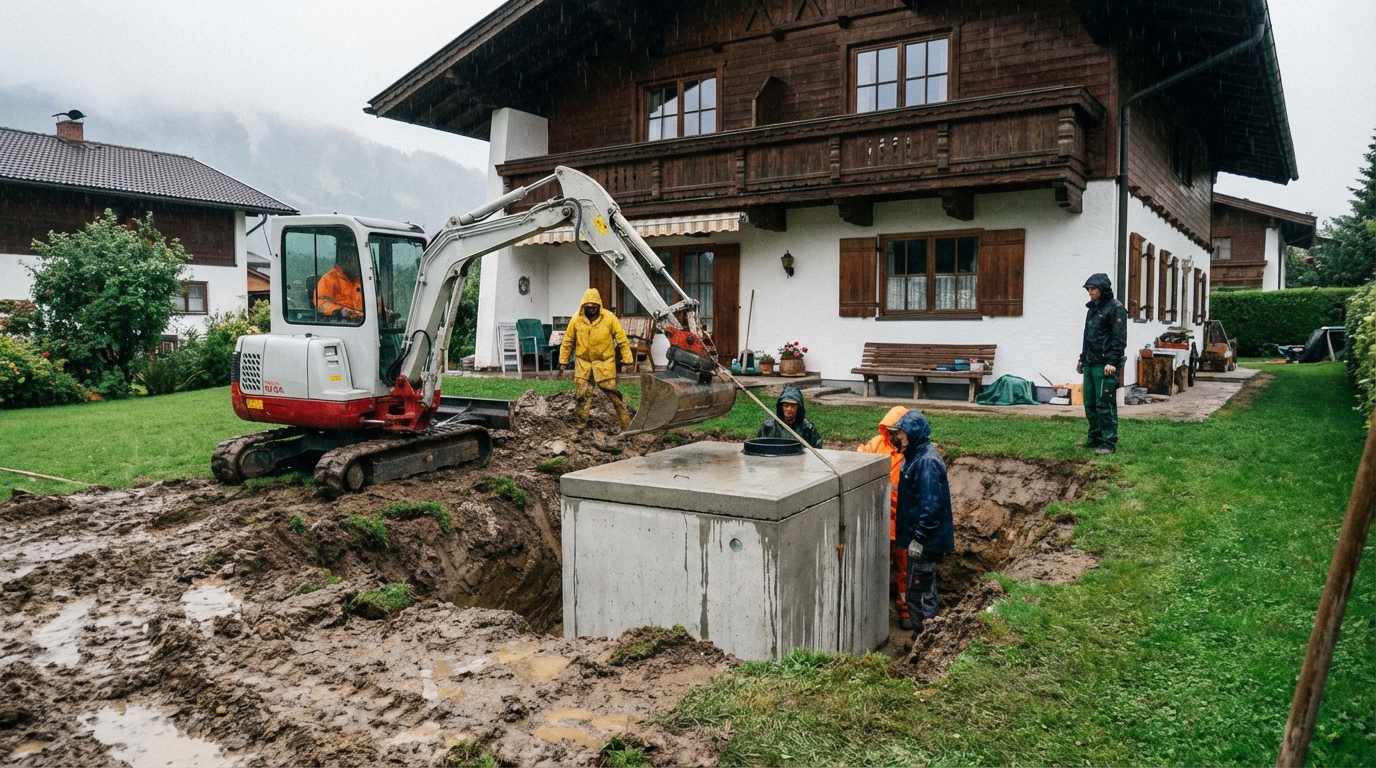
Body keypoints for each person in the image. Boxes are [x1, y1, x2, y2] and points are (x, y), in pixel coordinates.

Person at [890, 410, 954, 652]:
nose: (896, 437)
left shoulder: (926, 462)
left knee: (922, 592)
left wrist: (919, 539)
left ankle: (927, 641)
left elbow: (931, 506)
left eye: (900, 433)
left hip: (925, 541)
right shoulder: (914, 456)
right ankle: (922, 635)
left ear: (914, 433)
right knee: (918, 590)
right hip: (918, 539)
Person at [857, 406, 912, 629]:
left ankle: (906, 609)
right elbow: (859, 457)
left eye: (895, 431)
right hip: (879, 518)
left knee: (906, 567)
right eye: (889, 431)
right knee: (875, 564)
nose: (892, 435)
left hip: (903, 521)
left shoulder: (912, 450)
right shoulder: (877, 444)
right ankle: (872, 608)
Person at [559, 289, 633, 433]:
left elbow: (622, 339)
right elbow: (568, 341)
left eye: (594, 306)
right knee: (581, 396)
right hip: (583, 364)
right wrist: (563, 361)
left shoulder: (609, 318)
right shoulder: (576, 319)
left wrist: (627, 360)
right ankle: (580, 427)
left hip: (604, 364)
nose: (591, 308)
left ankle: (626, 427)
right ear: (584, 306)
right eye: (588, 306)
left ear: (599, 305)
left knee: (615, 397)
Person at [1077, 273, 1127, 455]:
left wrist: (1112, 361)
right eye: (1088, 289)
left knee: (1104, 403)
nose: (1090, 292)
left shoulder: (1116, 308)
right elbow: (1087, 336)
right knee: (1090, 403)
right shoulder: (1092, 308)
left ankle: (1109, 442)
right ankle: (1095, 438)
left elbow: (1119, 338)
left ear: (1102, 289)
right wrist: (1082, 358)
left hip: (1104, 364)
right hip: (1090, 362)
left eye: (1093, 288)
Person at [756, 384, 823, 448]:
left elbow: (817, 447)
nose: (789, 409)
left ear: (798, 408)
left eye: (793, 406)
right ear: (781, 407)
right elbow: (759, 446)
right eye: (786, 406)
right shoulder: (769, 426)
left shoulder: (807, 428)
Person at [316, 249, 364, 321]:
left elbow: (373, 303)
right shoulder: (329, 278)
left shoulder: (365, 281)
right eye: (349, 260)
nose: (353, 263)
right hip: (338, 322)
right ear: (343, 261)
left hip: (364, 322)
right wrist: (340, 310)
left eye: (355, 260)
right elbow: (321, 304)